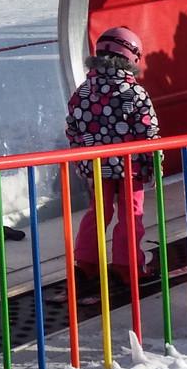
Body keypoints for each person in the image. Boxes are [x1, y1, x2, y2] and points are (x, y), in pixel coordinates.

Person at [65, 27, 160, 278]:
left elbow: (73, 128)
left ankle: (86, 261)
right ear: (132, 59)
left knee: (98, 211)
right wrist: (155, 163)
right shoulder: (135, 93)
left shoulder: (83, 91)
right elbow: (147, 132)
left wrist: (83, 158)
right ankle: (128, 265)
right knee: (131, 214)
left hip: (97, 166)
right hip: (131, 166)